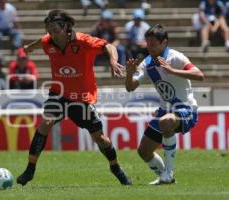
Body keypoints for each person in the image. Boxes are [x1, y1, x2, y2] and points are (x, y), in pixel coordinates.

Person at [17, 9, 131, 186]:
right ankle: (30, 170)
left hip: (82, 97)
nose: (51, 35)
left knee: (100, 139)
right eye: (49, 31)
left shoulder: (83, 41)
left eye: (55, 30)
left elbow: (109, 46)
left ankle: (115, 167)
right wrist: (28, 48)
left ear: (66, 28)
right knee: (45, 123)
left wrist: (113, 61)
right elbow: (40, 42)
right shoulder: (48, 41)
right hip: (59, 93)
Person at [125, 24, 204, 185]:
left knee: (165, 121)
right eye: (148, 44)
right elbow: (130, 87)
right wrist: (128, 74)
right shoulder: (147, 63)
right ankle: (165, 177)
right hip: (165, 109)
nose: (149, 47)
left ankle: (169, 171)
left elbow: (199, 75)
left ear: (164, 43)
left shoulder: (176, 58)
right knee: (144, 152)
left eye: (153, 44)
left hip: (185, 108)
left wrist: (172, 71)